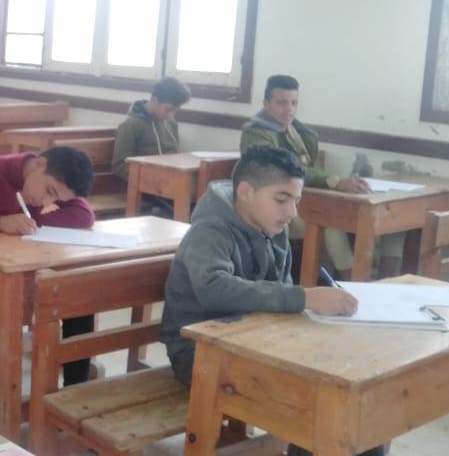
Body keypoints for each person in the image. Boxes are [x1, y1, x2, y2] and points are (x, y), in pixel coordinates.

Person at [161, 145, 382, 456]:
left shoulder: (272, 226)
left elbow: (280, 288)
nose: (292, 212)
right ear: (246, 192)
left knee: (355, 403)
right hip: (199, 353)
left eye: (296, 201)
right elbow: (214, 289)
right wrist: (304, 297)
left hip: (253, 341)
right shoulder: (210, 231)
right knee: (317, 409)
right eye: (282, 199)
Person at [0, 146, 97, 405]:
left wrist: (32, 222)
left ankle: (72, 401)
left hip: (19, 273)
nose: (45, 202)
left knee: (77, 304)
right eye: (49, 191)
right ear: (39, 164)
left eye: (56, 199)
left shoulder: (46, 183)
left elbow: (84, 215)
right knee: (3, 313)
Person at [241, 75, 402, 278]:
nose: (289, 109)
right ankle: (352, 282)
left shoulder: (295, 131)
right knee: (332, 222)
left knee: (395, 218)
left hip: (302, 198)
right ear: (266, 104)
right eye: (281, 102)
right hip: (275, 205)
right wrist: (334, 182)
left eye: (294, 103)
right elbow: (285, 171)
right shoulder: (256, 133)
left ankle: (385, 280)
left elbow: (310, 170)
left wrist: (343, 183)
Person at [112, 78, 190, 215]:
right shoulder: (130, 126)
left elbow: (175, 156)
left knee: (197, 203)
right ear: (154, 100)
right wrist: (152, 180)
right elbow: (119, 165)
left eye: (175, 111)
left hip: (170, 183)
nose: (171, 115)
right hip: (143, 187)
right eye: (168, 109)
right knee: (178, 211)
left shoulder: (171, 123)